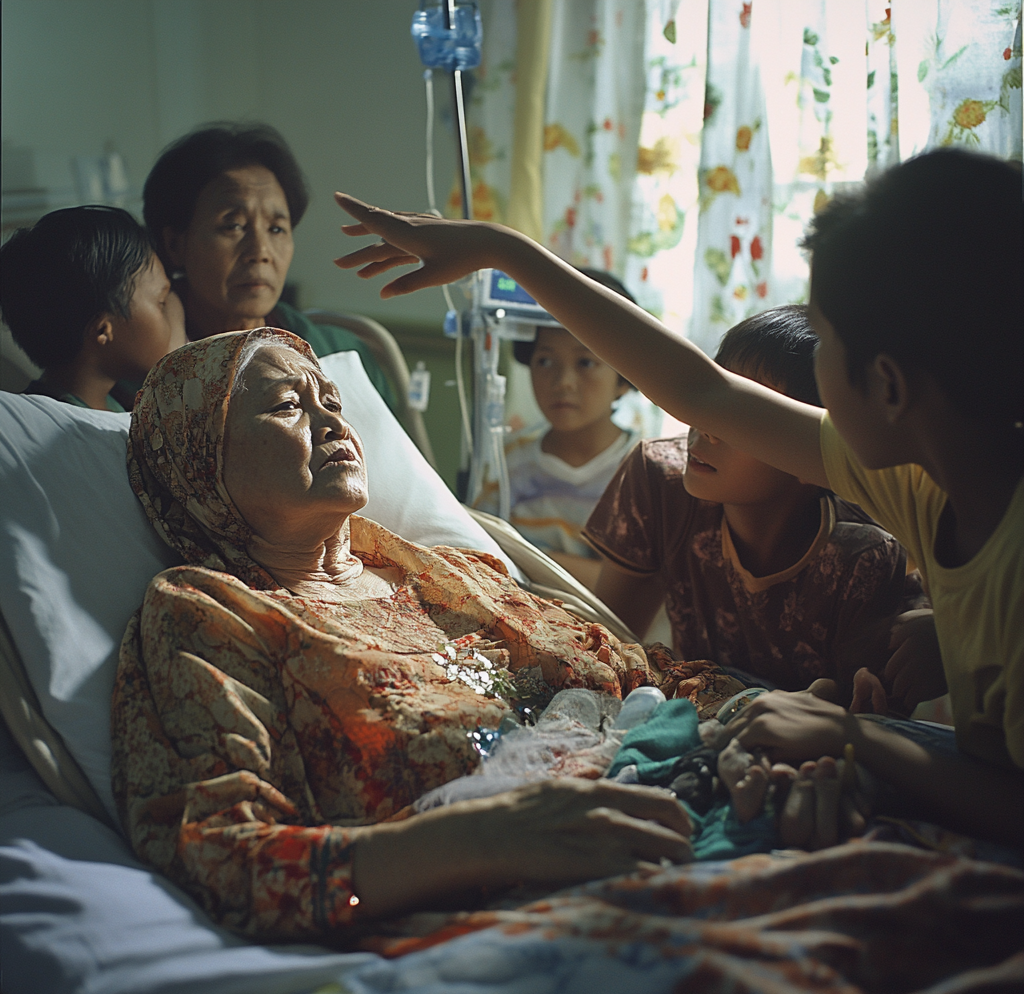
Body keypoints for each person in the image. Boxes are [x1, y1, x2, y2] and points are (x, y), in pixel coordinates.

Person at [331, 147, 1022, 847]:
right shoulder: (927, 473)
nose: (709, 431)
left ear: (889, 386)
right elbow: (703, 391)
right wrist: (501, 249)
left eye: (824, 345)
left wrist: (856, 738)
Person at [112, 328, 695, 939]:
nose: (334, 424)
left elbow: (649, 673)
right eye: (288, 406)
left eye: (332, 404)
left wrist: (761, 721)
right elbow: (222, 855)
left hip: (683, 796)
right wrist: (484, 838)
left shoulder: (447, 574)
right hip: (527, 909)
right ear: (200, 459)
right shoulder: (212, 612)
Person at [585, 305, 927, 697]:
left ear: (811, 451)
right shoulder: (662, 480)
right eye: (717, 390)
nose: (707, 423)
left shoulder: (863, 556)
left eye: (746, 412)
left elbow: (858, 726)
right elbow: (605, 649)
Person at [142, 122, 395, 408]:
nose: (260, 252)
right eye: (233, 226)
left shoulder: (340, 354)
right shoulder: (140, 370)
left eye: (276, 229)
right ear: (175, 244)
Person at [498, 268, 641, 589]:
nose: (563, 383)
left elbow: (631, 589)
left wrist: (528, 558)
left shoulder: (643, 474)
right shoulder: (508, 463)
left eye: (585, 363)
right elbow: (479, 550)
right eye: (545, 362)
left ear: (624, 376)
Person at [0, 206, 185, 411]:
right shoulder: (74, 432)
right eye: (161, 303)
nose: (170, 312)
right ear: (103, 330)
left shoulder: (104, 403)